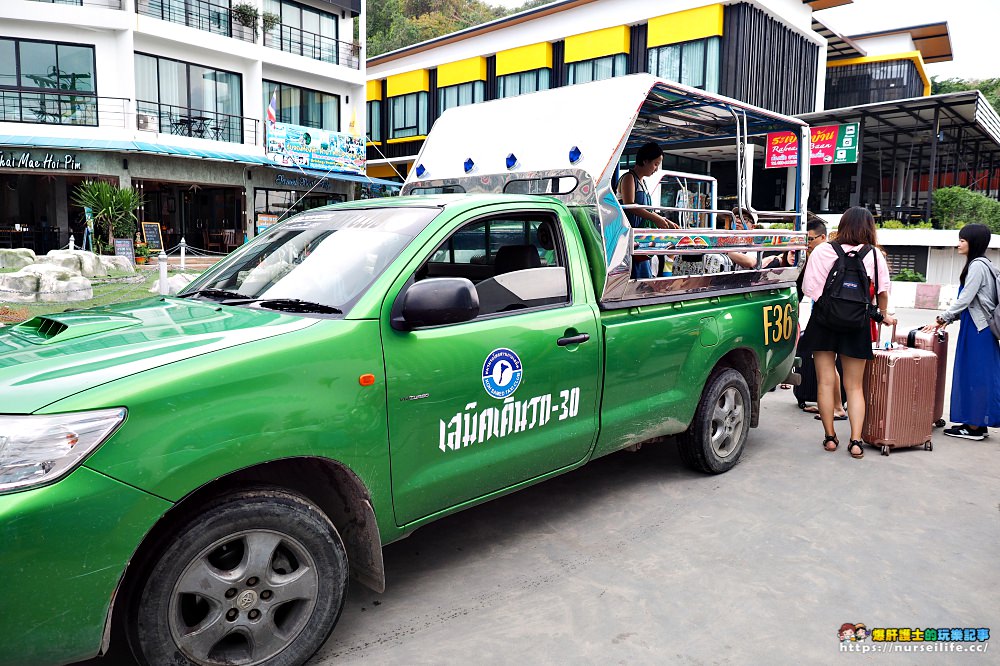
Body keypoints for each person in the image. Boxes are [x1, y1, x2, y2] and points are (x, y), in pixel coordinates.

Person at [800, 206, 895, 459]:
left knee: (825, 381)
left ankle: (830, 438)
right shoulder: (874, 255)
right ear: (869, 227)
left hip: (823, 322)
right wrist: (882, 314)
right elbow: (883, 291)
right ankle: (855, 441)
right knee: (854, 387)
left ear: (842, 225)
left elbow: (810, 288)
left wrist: (831, 306)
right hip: (858, 324)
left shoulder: (822, 250)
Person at [922, 223, 1000, 440]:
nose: (958, 244)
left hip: (978, 329)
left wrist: (943, 318)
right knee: (975, 375)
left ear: (972, 243)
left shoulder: (977, 266)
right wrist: (951, 319)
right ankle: (976, 423)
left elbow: (965, 298)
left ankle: (974, 427)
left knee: (975, 376)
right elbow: (973, 301)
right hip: (975, 327)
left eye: (962, 240)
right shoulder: (984, 265)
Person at [794, 217, 848, 421]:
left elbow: (810, 287)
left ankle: (836, 408)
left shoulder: (824, 253)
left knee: (828, 365)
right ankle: (830, 405)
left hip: (826, 314)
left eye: (810, 239)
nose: (808, 244)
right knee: (828, 365)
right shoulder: (835, 253)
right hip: (832, 312)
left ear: (823, 237)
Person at [618, 142, 677, 278]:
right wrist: (656, 218)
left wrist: (665, 220)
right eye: (655, 164)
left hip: (641, 241)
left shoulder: (642, 182)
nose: (656, 169)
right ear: (645, 161)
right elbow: (630, 205)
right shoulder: (628, 178)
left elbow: (647, 211)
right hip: (630, 240)